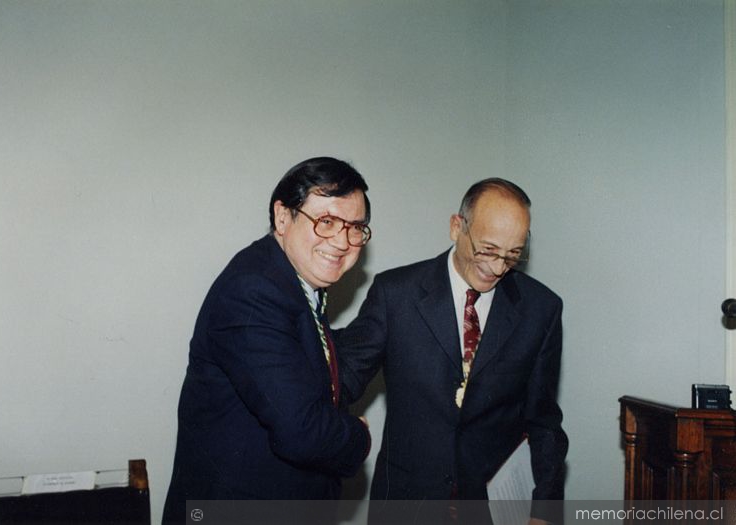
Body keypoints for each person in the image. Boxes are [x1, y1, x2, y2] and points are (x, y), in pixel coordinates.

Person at [337, 178, 567, 524]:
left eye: (513, 256)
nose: (497, 268)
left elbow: (544, 422)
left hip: (491, 511)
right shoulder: (395, 294)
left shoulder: (541, 310)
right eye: (487, 250)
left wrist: (545, 512)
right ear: (456, 227)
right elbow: (343, 376)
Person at [163, 157, 373, 524]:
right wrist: (358, 435)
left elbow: (311, 363)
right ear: (282, 217)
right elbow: (301, 432)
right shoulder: (255, 289)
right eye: (326, 222)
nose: (341, 242)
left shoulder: (294, 280)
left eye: (355, 228)